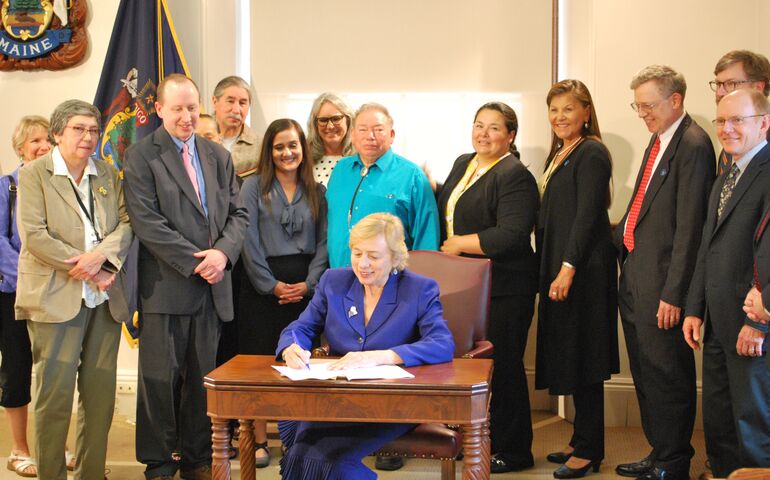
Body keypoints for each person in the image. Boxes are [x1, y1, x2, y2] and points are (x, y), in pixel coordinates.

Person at [123, 74, 247, 480]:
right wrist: (198, 261)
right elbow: (147, 222)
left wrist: (222, 254)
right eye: (177, 108)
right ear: (159, 109)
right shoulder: (141, 156)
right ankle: (159, 463)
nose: (186, 116)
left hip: (212, 290)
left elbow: (238, 215)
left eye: (192, 107)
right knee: (159, 382)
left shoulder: (217, 155)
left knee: (201, 381)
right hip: (165, 289)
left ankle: (196, 458)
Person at [276, 212, 454, 480]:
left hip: (392, 404)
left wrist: (381, 357)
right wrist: (292, 347)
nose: (363, 264)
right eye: (357, 253)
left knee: (316, 456)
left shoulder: (419, 289)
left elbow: (442, 344)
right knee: (306, 453)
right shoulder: (334, 282)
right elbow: (301, 328)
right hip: (336, 399)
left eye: (374, 255)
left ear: (395, 257)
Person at [15, 100, 133, 480]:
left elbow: (127, 224)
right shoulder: (35, 174)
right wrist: (85, 266)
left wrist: (101, 259)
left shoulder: (108, 175)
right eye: (79, 129)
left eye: (94, 131)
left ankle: (91, 473)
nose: (88, 137)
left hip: (105, 300)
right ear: (58, 133)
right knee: (55, 397)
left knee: (99, 399)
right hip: (55, 298)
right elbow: (34, 236)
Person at [613, 65, 715, 480]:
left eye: (648, 105)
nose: (642, 114)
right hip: (638, 276)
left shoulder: (692, 144)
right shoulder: (659, 141)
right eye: (637, 106)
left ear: (675, 100)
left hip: (664, 286)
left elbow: (691, 229)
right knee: (646, 373)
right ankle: (659, 453)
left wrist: (675, 295)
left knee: (667, 375)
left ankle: (674, 463)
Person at [436, 101, 539, 473]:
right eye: (479, 124)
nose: (483, 133)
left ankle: (513, 451)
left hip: (505, 288)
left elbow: (512, 234)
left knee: (502, 368)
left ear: (511, 136)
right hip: (466, 286)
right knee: (470, 369)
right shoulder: (465, 162)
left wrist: (460, 243)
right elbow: (448, 205)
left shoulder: (514, 175)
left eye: (494, 128)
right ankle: (477, 440)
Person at [683, 88, 770, 477]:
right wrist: (693, 309)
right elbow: (708, 248)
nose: (727, 128)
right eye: (721, 120)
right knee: (719, 416)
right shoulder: (726, 177)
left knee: (753, 421)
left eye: (738, 120)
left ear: (764, 122)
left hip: (752, 320)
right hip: (717, 320)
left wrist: (759, 321)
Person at [535, 80, 618, 478]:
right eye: (553, 110)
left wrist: (568, 267)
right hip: (563, 265)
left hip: (584, 271)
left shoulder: (592, 153)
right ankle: (580, 437)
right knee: (570, 351)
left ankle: (590, 449)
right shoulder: (561, 153)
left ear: (586, 112)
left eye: (568, 109)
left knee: (586, 357)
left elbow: (587, 216)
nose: (560, 117)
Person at [238, 118, 328, 467]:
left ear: (303, 149)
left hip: (306, 285)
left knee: (300, 367)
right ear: (269, 151)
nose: (287, 152)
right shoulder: (251, 188)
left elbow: (324, 242)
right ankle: (260, 440)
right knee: (261, 365)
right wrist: (270, 285)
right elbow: (248, 242)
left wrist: (310, 284)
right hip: (263, 287)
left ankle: (295, 439)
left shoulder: (317, 190)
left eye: (293, 145)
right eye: (279, 147)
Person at [326, 102, 439, 269]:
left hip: (390, 283)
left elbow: (427, 239)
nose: (370, 136)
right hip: (340, 280)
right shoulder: (341, 170)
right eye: (362, 129)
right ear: (352, 134)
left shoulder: (412, 176)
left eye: (378, 129)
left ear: (392, 135)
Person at [1, 115, 50, 478]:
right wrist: (31, 278)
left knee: (54, 373)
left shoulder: (59, 185)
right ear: (21, 149)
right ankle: (19, 449)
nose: (43, 146)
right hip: (14, 294)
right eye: (35, 141)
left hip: (55, 296)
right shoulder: (7, 187)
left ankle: (53, 446)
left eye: (48, 139)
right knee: (17, 370)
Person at [711, 50, 770, 175]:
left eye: (731, 84)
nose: (720, 92)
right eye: (718, 84)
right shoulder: (730, 141)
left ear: (758, 88)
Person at [211, 75, 260, 181]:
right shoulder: (198, 137)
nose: (236, 110)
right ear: (215, 102)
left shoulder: (260, 146)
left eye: (242, 103)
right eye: (230, 101)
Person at [306, 92, 355, 186]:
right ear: (315, 124)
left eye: (336, 119)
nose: (330, 126)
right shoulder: (305, 159)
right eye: (323, 120)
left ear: (348, 120)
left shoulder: (362, 158)